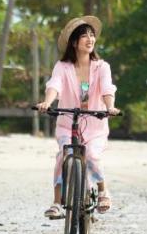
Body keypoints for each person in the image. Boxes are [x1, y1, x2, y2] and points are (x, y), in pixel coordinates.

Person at [36, 15, 120, 219]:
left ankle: (102, 191)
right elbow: (54, 85)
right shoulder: (62, 67)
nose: (90, 39)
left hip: (95, 126)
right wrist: (47, 102)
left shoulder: (102, 67)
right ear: (74, 42)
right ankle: (57, 203)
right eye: (85, 36)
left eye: (92, 36)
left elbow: (107, 88)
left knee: (91, 154)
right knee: (63, 155)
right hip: (67, 123)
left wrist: (110, 107)